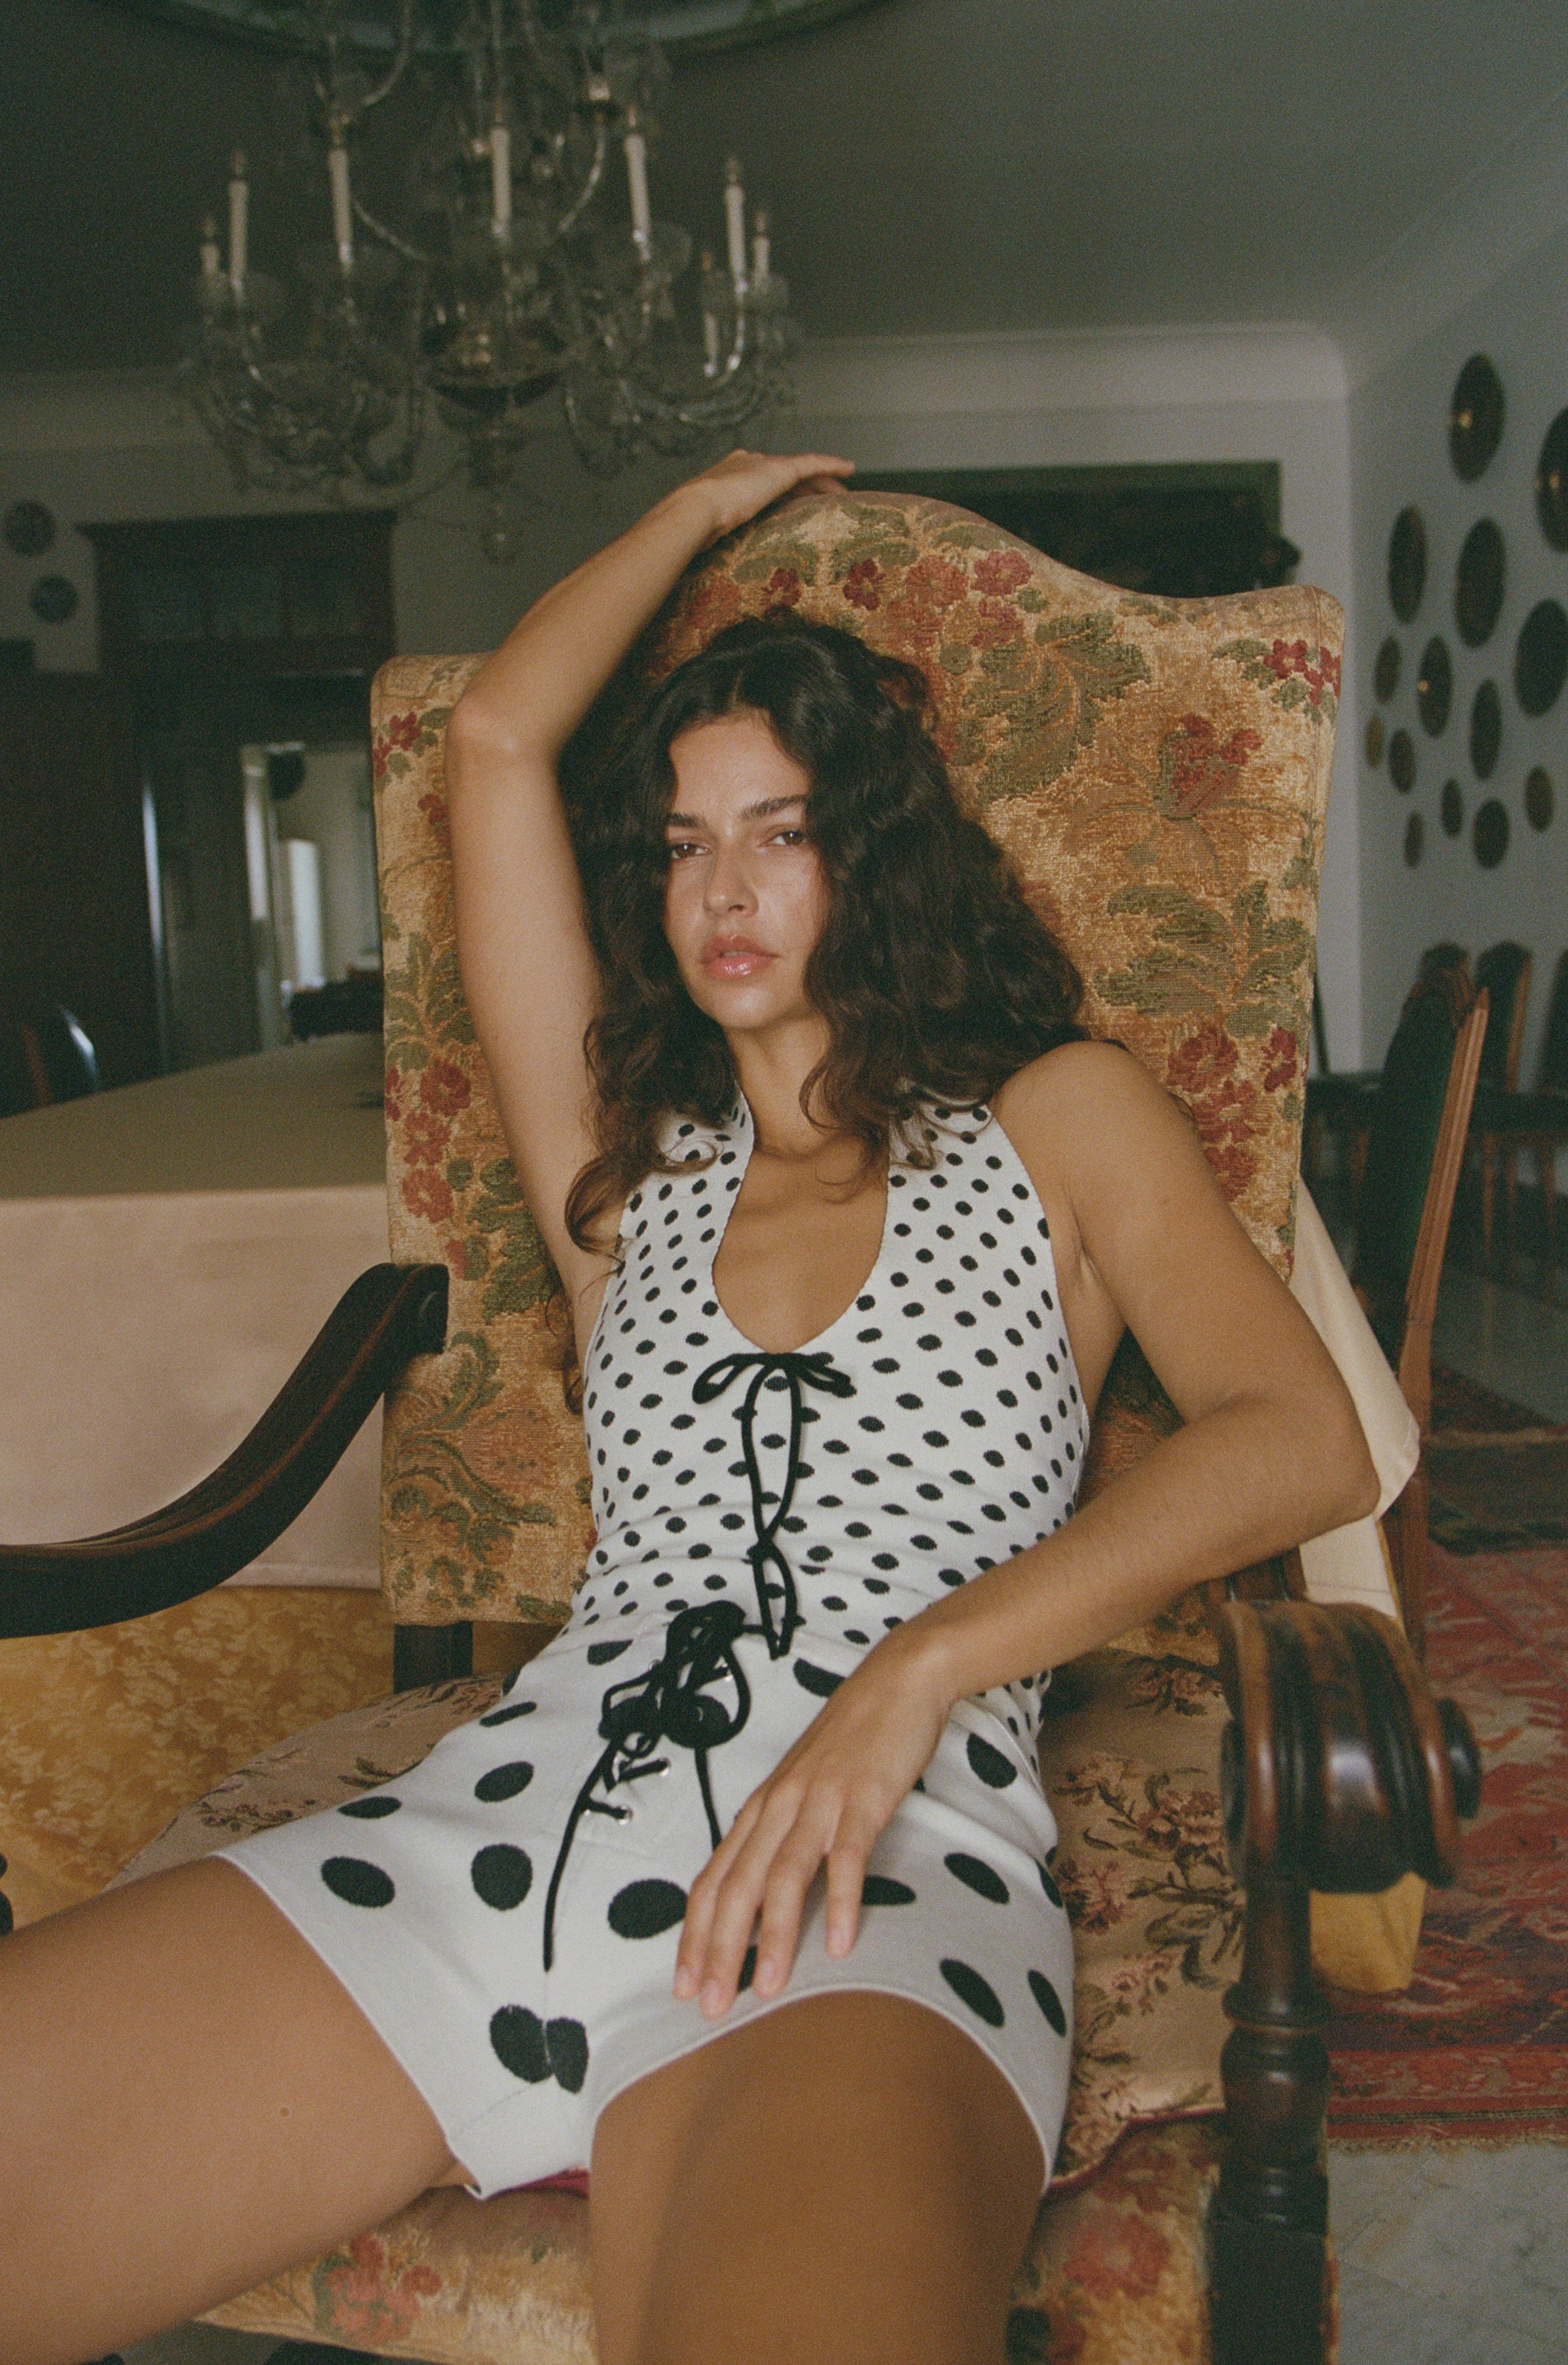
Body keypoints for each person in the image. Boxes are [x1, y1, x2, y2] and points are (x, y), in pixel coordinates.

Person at [0, 451, 1377, 2365]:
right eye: (678, 844)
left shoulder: (1057, 1117)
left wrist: (914, 1676)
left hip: (884, 1874)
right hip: (507, 1822)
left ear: (871, 854)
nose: (721, 889)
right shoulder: (625, 1170)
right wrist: (695, 510)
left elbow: (1297, 1436)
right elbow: (495, 741)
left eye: (779, 833)